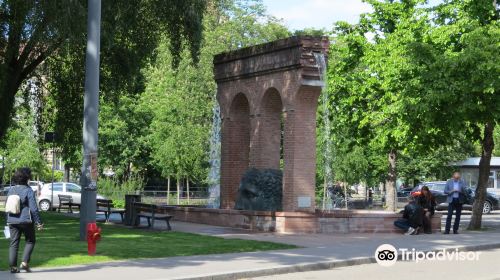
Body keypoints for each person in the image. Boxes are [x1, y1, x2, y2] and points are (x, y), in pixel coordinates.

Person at [6, 168, 43, 273]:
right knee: (30, 240)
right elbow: (34, 208)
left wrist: (7, 220)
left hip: (12, 220)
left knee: (13, 243)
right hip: (26, 221)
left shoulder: (11, 189)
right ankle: (24, 263)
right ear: (27, 177)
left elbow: (7, 206)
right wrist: (38, 222)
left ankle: (13, 267)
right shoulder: (28, 190)